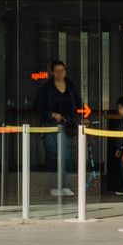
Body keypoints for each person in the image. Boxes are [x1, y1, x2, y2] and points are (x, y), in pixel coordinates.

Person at [32, 60, 81, 196]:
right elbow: (37, 106)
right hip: (51, 126)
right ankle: (54, 186)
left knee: (66, 156)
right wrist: (51, 114)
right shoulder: (46, 88)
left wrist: (81, 117)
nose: (60, 73)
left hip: (67, 125)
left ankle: (65, 185)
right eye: (57, 71)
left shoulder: (70, 87)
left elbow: (78, 104)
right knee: (53, 155)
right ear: (53, 72)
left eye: (62, 70)